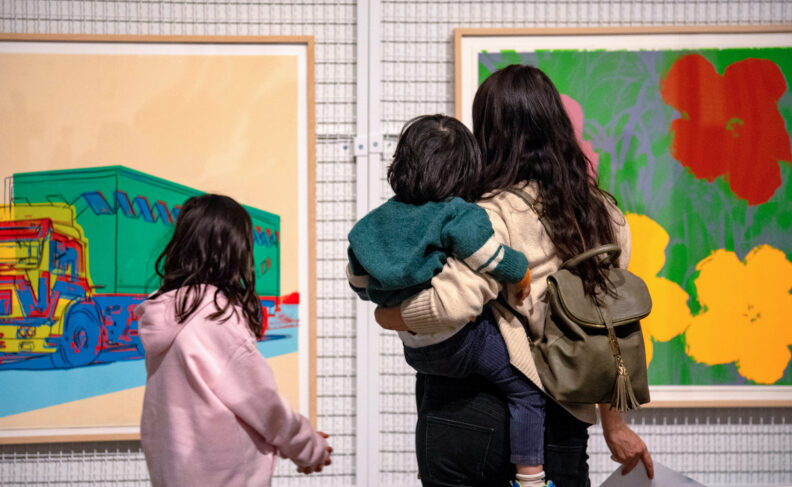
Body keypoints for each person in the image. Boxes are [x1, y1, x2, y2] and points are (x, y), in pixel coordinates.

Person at [375, 65, 654, 486]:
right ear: (557, 126)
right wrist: (613, 425)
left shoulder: (483, 213)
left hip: (467, 412)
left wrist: (387, 316)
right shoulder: (606, 215)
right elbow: (609, 326)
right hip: (559, 427)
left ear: (487, 132)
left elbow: (447, 306)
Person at [347, 114, 550, 487]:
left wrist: (384, 304)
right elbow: (490, 258)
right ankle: (531, 477)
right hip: (463, 343)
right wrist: (520, 271)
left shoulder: (374, 223)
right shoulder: (459, 214)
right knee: (526, 389)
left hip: (416, 350)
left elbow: (358, 280)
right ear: (466, 171)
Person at [138, 194, 332, 487]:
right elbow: (262, 403)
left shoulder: (166, 315)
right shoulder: (216, 319)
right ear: (234, 252)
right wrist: (309, 447)